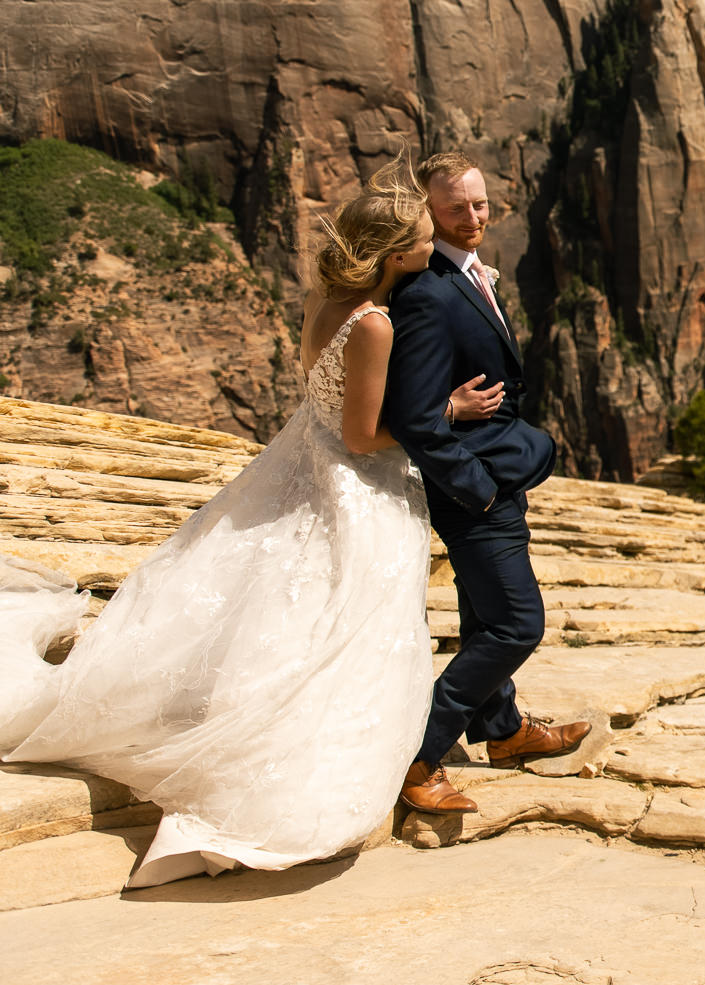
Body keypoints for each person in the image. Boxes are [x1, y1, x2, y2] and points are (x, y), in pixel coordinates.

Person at [0, 159, 499, 886]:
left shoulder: (325, 298)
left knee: (286, 601)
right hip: (356, 481)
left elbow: (324, 407)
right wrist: (444, 412)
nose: (434, 243)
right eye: (424, 236)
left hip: (301, 457)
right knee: (344, 619)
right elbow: (363, 435)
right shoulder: (377, 325)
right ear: (397, 255)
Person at [384, 152, 585, 814]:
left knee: (482, 614)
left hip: (496, 470)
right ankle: (417, 754)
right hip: (473, 488)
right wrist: (478, 486)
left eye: (480, 204)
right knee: (517, 622)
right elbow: (414, 415)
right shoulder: (426, 292)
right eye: (454, 209)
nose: (472, 217)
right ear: (429, 212)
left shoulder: (467, 273)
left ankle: (502, 731)